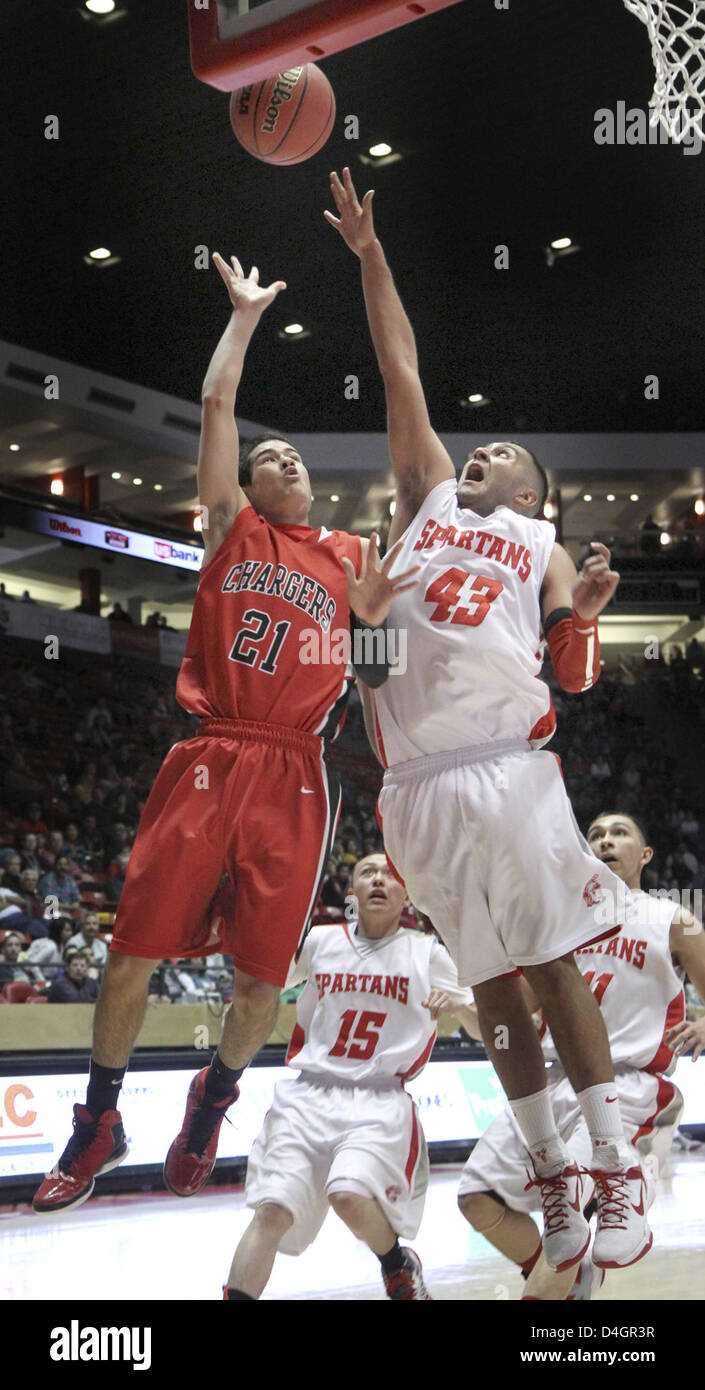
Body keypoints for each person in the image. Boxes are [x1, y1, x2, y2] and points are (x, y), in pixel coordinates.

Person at [33, 250, 417, 1216]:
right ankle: (98, 1120)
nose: (280, 460)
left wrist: (378, 624)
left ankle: (213, 1097)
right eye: (263, 459)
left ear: (311, 483)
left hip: (295, 769)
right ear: (243, 488)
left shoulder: (352, 556)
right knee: (131, 952)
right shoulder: (231, 528)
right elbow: (215, 409)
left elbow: (383, 677)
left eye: (290, 456)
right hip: (209, 752)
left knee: (259, 985)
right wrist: (242, 319)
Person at [325, 166, 651, 1272]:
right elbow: (399, 367)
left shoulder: (537, 541)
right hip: (415, 789)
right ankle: (554, 1180)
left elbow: (575, 674)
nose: (484, 450)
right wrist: (373, 258)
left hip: (512, 766)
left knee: (554, 962)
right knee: (496, 985)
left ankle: (616, 1165)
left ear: (534, 488)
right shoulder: (423, 502)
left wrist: (589, 620)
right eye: (483, 446)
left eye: (507, 451)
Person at [457, 810, 705, 1299]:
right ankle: (571, 1279)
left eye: (619, 833)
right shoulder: (556, 926)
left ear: (646, 855)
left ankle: (558, 1285)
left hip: (625, 1085)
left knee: (573, 1200)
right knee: (476, 1199)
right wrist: (468, 1004)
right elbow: (518, 1008)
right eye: (595, 835)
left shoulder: (675, 919)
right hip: (551, 1083)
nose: (606, 841)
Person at [224, 852, 476, 1301]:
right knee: (272, 1212)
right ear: (352, 893)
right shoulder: (321, 941)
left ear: (408, 895)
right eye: (367, 873)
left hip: (377, 1098)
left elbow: (482, 1025)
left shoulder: (428, 952)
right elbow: (262, 985)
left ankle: (396, 1263)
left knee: (348, 1194)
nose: (379, 880)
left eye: (391, 874)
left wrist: (459, 1006)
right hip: (306, 1095)